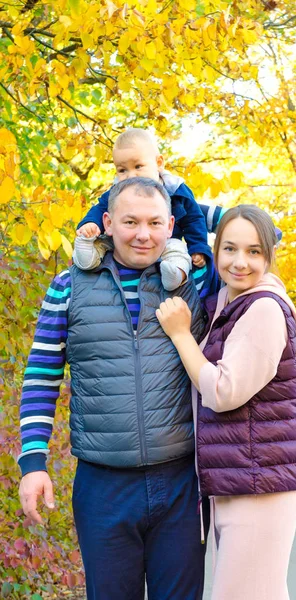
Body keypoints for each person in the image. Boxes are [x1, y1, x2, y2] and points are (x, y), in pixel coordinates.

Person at [18, 177, 212, 600]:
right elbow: (41, 375)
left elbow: (246, 257)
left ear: (171, 225)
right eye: (130, 221)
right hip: (103, 488)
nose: (143, 234)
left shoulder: (192, 286)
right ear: (107, 222)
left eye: (155, 222)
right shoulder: (67, 287)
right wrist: (33, 462)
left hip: (181, 483)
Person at [156, 204, 296, 600]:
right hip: (238, 481)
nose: (240, 262)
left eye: (254, 251)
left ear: (269, 257)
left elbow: (223, 392)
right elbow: (184, 204)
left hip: (260, 490)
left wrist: (180, 334)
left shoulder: (263, 309)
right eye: (230, 249)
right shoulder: (229, 300)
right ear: (215, 249)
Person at [74, 127, 212, 291]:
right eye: (122, 170)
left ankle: (175, 274)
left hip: (165, 242)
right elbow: (100, 209)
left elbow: (194, 219)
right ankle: (87, 257)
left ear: (159, 163)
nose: (131, 175)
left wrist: (198, 247)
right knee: (101, 243)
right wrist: (90, 224)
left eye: (138, 166)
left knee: (177, 249)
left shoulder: (175, 189)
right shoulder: (117, 192)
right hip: (120, 243)